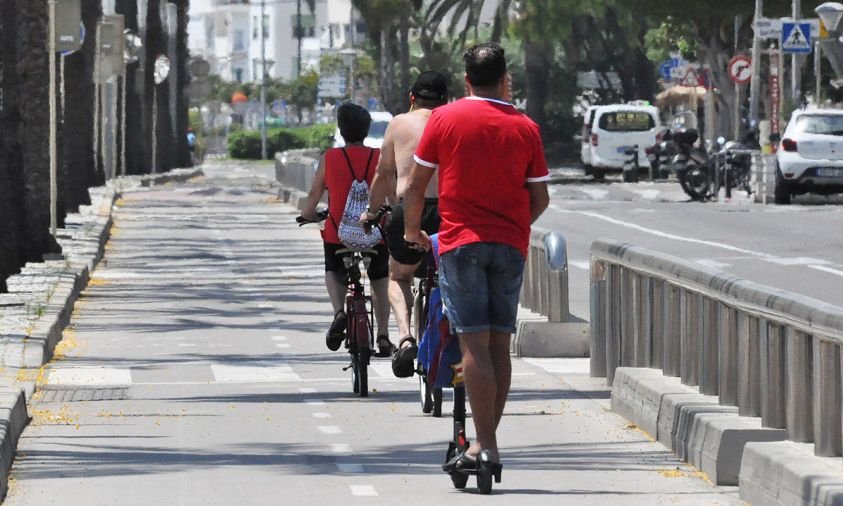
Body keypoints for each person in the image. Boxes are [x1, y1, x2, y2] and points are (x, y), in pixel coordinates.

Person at [403, 43, 550, 469]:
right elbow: (540, 196)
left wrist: (413, 230)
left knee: (473, 346)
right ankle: (487, 441)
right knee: (500, 345)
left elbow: (415, 184)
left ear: (466, 80)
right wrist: (516, 225)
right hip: (508, 246)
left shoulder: (445, 118)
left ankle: (482, 446)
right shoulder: (525, 127)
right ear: (506, 79)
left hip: (460, 244)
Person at [361, 71, 449, 377]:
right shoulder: (453, 122)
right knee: (452, 272)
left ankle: (405, 337)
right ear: (445, 100)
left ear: (412, 99)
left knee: (399, 275)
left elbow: (383, 174)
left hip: (408, 209)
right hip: (449, 212)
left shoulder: (399, 123)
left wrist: (371, 213)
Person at [299, 103, 395, 357]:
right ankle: (384, 335)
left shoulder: (329, 158)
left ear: (341, 130)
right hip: (374, 232)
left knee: (333, 267)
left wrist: (308, 215)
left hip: (337, 232)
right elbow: (392, 194)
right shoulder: (379, 157)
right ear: (366, 129)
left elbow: (314, 194)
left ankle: (339, 312)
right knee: (379, 278)